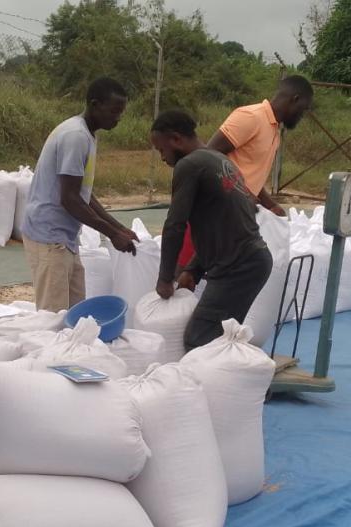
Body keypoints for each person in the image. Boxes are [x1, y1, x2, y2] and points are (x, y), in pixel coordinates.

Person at [149, 109, 273, 351]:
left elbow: (175, 225)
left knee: (200, 340)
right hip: (250, 261)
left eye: (161, 149)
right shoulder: (220, 160)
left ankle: (230, 386)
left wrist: (165, 279)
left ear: (176, 139)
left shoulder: (189, 165)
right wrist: (193, 270)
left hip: (238, 267)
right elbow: (220, 226)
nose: (162, 157)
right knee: (219, 338)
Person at [172, 75, 314, 272]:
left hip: (234, 215)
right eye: (304, 109)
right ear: (295, 99)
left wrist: (269, 203)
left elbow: (250, 173)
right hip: (210, 210)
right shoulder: (251, 117)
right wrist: (243, 193)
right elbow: (207, 157)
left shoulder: (273, 130)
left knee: (212, 274)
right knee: (184, 272)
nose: (302, 115)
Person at [21, 77, 138, 312]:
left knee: (75, 313)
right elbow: (70, 199)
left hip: (64, 239)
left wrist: (119, 227)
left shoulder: (88, 135)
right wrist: (112, 234)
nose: (118, 118)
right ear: (95, 105)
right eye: (114, 111)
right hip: (49, 237)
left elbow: (84, 194)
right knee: (52, 318)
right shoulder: (75, 136)